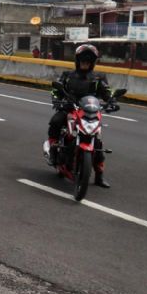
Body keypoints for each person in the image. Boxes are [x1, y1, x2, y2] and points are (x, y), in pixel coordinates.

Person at [46, 44, 114, 188]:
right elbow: (55, 89)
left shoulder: (99, 77)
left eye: (88, 60)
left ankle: (99, 177)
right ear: (77, 60)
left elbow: (107, 93)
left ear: (93, 62)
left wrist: (111, 101)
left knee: (98, 143)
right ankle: (53, 149)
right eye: (83, 60)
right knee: (56, 120)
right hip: (70, 108)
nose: (85, 62)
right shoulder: (67, 75)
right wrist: (57, 100)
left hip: (90, 111)